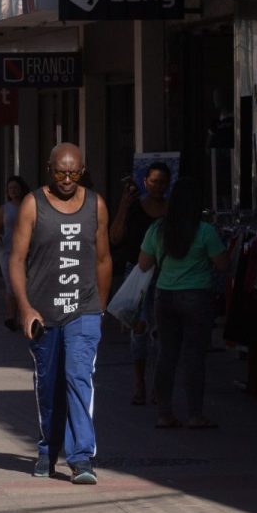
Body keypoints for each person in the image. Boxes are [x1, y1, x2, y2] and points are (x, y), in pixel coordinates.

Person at [9, 143, 113, 485]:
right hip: (44, 313)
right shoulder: (32, 205)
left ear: (82, 171)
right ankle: (47, 449)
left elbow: (103, 260)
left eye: (74, 173)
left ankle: (82, 457)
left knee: (77, 378)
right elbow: (17, 260)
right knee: (49, 385)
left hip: (83, 310)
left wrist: (100, 308)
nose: (67, 179)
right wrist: (25, 308)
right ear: (49, 169)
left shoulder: (96, 205)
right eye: (60, 172)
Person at [136, 181, 229, 429]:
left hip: (164, 297)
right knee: (194, 356)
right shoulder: (205, 231)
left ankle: (164, 413)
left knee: (166, 354)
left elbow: (143, 264)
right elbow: (222, 264)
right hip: (197, 297)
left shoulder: (157, 229)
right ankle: (195, 414)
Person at [111, 161, 170, 405]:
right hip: (136, 272)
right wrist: (124, 206)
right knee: (139, 328)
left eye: (163, 182)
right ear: (145, 182)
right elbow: (115, 237)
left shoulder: (172, 210)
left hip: (166, 274)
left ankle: (158, 383)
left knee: (162, 331)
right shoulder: (134, 207)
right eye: (153, 181)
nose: (158, 187)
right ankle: (139, 382)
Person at [0, 176, 28, 332]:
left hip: (27, 251)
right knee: (10, 284)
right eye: (10, 188)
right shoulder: (4, 209)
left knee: (24, 285)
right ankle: (11, 317)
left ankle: (23, 317)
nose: (13, 191)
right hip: (7, 251)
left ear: (21, 189)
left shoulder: (29, 206)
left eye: (15, 188)